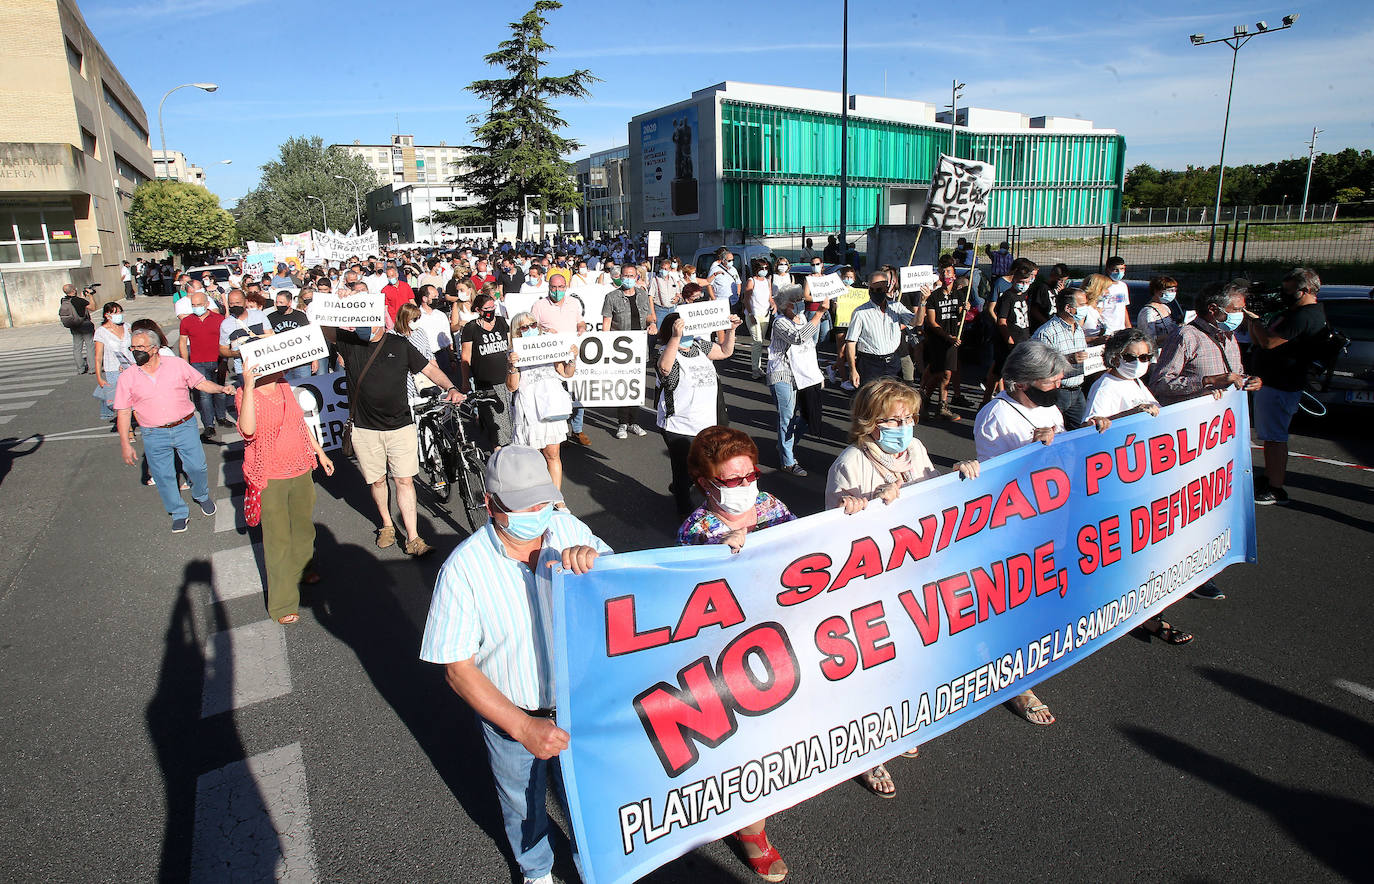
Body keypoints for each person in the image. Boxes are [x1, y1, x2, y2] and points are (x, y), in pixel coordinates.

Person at [419, 446, 608, 884]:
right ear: (490, 505)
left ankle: (595, 865)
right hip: (514, 714)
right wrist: (522, 727)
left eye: (541, 502)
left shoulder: (567, 528)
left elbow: (619, 592)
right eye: (521, 507)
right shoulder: (463, 569)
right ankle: (536, 869)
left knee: (589, 796)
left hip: (580, 703)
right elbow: (457, 668)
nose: (535, 514)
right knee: (522, 801)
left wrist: (597, 564)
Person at [825, 379, 978, 796]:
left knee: (905, 660)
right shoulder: (851, 462)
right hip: (869, 585)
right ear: (871, 423)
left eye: (909, 417)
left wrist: (958, 475)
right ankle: (866, 752)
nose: (905, 425)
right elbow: (832, 535)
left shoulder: (915, 450)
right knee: (872, 669)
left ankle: (895, 728)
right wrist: (868, 501)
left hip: (913, 573)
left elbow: (931, 491)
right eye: (895, 419)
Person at [675, 426, 793, 881]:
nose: (747, 487)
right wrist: (721, 560)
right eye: (732, 480)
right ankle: (752, 833)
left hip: (783, 639)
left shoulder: (772, 508)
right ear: (705, 484)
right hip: (731, 656)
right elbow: (692, 602)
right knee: (745, 746)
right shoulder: (695, 531)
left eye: (750, 476)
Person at [970, 340, 1071, 727]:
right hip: (1014, 524)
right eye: (1051, 380)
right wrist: (1032, 449)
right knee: (1012, 599)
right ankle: (1016, 684)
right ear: (1023, 382)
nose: (1058, 386)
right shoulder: (996, 415)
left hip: (1050, 515)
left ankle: (1025, 658)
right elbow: (995, 478)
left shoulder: (1050, 407)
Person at [334, 323, 462, 555]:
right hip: (365, 429)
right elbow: (324, 329)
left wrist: (451, 387)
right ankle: (387, 525)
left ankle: (413, 538)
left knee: (405, 481)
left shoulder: (400, 345)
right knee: (378, 481)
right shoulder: (350, 343)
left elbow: (429, 369)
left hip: (400, 426)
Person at [237, 358, 334, 624]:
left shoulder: (283, 385)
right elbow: (247, 430)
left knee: (303, 527)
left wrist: (320, 453)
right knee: (277, 539)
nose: (286, 367)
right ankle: (282, 604)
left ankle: (304, 568)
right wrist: (247, 385)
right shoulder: (246, 393)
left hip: (301, 467)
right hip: (270, 476)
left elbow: (300, 424)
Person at [114, 328, 232, 532]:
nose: (135, 351)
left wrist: (222, 389)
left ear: (155, 348)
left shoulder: (177, 365)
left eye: (140, 347)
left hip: (184, 426)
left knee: (197, 467)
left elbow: (201, 383)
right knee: (163, 475)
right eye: (133, 347)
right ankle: (178, 512)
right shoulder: (128, 377)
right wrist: (125, 443)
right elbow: (124, 412)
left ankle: (201, 495)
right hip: (153, 433)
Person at [1247, 268, 1326, 506]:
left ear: (1305, 291)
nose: (1284, 295)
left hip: (1281, 384)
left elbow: (1269, 342)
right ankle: (1271, 478)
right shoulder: (1293, 313)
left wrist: (1256, 320)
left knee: (1275, 437)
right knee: (1270, 437)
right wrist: (1256, 322)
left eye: (1289, 291)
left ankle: (1275, 487)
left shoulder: (1305, 316)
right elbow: (1260, 339)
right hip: (1273, 382)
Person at [656, 308, 741, 517]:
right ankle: (684, 513)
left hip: (707, 422)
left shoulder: (699, 346)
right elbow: (665, 369)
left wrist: (731, 331)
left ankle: (686, 490)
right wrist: (675, 338)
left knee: (708, 467)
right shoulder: (667, 351)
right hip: (680, 425)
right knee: (683, 470)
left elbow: (724, 352)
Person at [1150, 281, 1259, 406]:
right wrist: (1207, 381)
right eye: (1236, 309)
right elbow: (1159, 384)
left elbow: (1235, 374)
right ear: (1213, 309)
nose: (1241, 314)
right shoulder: (1185, 337)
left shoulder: (1229, 336)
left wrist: (1247, 381)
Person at [507, 312, 577, 490]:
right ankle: (535, 500)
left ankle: (557, 499)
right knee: (531, 457)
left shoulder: (549, 344)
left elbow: (566, 373)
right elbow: (512, 387)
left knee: (553, 454)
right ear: (517, 331)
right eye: (524, 327)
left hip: (551, 404)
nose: (530, 329)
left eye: (533, 325)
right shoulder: (513, 353)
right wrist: (512, 367)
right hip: (530, 408)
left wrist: (572, 359)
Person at [767, 285, 824, 476]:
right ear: (785, 305)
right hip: (783, 375)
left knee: (808, 416)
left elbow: (810, 347)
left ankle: (785, 445)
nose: (800, 304)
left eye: (801, 299)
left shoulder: (803, 318)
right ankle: (788, 461)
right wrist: (819, 314)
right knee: (787, 418)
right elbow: (798, 338)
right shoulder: (779, 322)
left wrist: (816, 374)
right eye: (796, 300)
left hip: (805, 376)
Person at [530, 272, 590, 446]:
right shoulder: (539, 305)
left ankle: (577, 430)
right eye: (554, 287)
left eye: (561, 287)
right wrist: (546, 331)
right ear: (549, 287)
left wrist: (581, 327)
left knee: (577, 392)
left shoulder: (573, 303)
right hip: (550, 358)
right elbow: (532, 326)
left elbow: (580, 322)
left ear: (566, 287)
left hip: (571, 353)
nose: (557, 290)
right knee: (555, 395)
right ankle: (559, 432)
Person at [601, 261, 656, 439]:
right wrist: (606, 346)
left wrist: (652, 324)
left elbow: (648, 317)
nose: (628, 279)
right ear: (620, 277)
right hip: (620, 349)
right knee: (623, 386)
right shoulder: (612, 297)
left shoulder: (642, 294)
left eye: (631, 276)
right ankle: (622, 423)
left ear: (637, 277)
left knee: (636, 387)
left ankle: (634, 422)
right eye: (625, 276)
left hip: (639, 347)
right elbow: (606, 324)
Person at [1030, 288, 1097, 429]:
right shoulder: (1047, 332)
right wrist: (1067, 359)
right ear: (1069, 308)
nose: (1086, 308)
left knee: (1082, 431)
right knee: (1052, 430)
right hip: (1057, 392)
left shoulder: (1078, 329)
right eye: (1082, 304)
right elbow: (1037, 365)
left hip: (1077, 391)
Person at [845, 268, 917, 388]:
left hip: (892, 363)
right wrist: (853, 370)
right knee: (871, 400)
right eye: (871, 289)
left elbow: (915, 322)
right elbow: (851, 342)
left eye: (878, 289)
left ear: (886, 288)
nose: (874, 292)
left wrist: (923, 302)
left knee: (889, 400)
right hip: (870, 364)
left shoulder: (896, 307)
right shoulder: (860, 313)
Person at [461, 293, 514, 449]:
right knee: (496, 424)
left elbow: (511, 346)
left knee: (510, 419)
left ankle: (509, 452)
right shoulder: (471, 328)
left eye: (493, 307)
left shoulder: (502, 323)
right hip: (486, 383)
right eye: (487, 309)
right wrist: (465, 381)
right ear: (478, 310)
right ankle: (498, 454)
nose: (491, 311)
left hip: (506, 380)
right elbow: (466, 357)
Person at [177, 290, 232, 439]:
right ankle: (209, 424)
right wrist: (185, 363)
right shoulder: (186, 321)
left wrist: (224, 361)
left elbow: (226, 341)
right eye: (193, 305)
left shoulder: (219, 319)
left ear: (207, 304)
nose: (196, 308)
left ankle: (221, 416)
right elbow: (182, 342)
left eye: (199, 305)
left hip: (217, 360)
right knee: (204, 395)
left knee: (221, 391)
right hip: (197, 363)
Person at [921, 261, 971, 421]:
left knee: (946, 373)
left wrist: (966, 309)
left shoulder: (959, 295)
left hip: (953, 340)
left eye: (949, 272)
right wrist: (947, 337)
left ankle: (939, 404)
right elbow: (932, 322)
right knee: (941, 373)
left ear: (954, 275)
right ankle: (928, 400)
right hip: (938, 340)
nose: (946, 275)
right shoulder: (933, 297)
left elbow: (960, 316)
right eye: (943, 272)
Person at [94, 302, 133, 426]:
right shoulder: (101, 332)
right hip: (114, 370)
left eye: (120, 312)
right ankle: (129, 431)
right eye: (115, 313)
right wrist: (99, 377)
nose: (119, 315)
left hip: (131, 367)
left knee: (137, 399)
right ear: (107, 315)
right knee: (123, 404)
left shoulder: (127, 326)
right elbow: (98, 356)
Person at [265, 289, 315, 382]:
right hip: (282, 363)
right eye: (277, 302)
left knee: (305, 387)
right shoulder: (270, 318)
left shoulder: (300, 316)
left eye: (281, 302)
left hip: (302, 362)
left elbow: (309, 338)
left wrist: (314, 360)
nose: (278, 305)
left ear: (289, 303)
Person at [740, 257, 775, 378]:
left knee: (760, 342)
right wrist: (750, 314)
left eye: (766, 268)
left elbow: (770, 297)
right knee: (757, 341)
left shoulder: (767, 280)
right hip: (753, 315)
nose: (764, 270)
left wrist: (773, 305)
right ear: (756, 269)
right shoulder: (751, 281)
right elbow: (746, 299)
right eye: (762, 268)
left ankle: (758, 367)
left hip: (765, 315)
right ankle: (755, 369)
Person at [59, 283, 97, 374]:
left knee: (77, 348)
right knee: (90, 346)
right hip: (85, 325)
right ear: (73, 290)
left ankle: (80, 369)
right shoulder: (79, 301)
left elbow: (76, 307)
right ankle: (92, 368)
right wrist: (90, 296)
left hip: (74, 326)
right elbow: (92, 307)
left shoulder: (63, 300)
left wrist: (82, 298)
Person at [1136, 276, 1180, 350]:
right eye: (1170, 290)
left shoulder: (1166, 308)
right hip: (1156, 354)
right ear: (1157, 291)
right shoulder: (1148, 312)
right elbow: (1147, 339)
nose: (1173, 293)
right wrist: (1169, 335)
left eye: (1175, 290)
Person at [1098, 257, 1132, 334]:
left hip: (1121, 330)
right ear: (1108, 269)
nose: (1119, 272)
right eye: (1115, 270)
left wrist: (1128, 326)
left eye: (1122, 269)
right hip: (1107, 330)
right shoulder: (1102, 286)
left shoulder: (1123, 286)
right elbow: (1098, 310)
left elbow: (1123, 308)